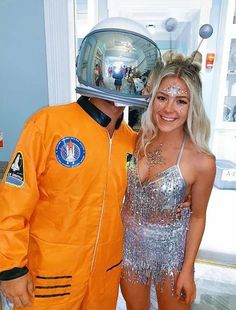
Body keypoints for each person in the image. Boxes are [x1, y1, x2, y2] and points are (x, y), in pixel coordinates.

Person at [0, 17, 162, 310]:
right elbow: (12, 202)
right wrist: (11, 268)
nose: (122, 77)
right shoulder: (47, 125)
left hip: (104, 277)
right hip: (50, 277)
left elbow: (139, 197)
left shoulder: (133, 141)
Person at [120, 51, 216, 310]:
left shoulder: (202, 161)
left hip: (171, 256)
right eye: (162, 98)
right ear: (152, 100)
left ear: (193, 106)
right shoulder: (135, 140)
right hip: (129, 251)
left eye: (181, 101)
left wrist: (188, 269)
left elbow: (198, 216)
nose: (169, 109)